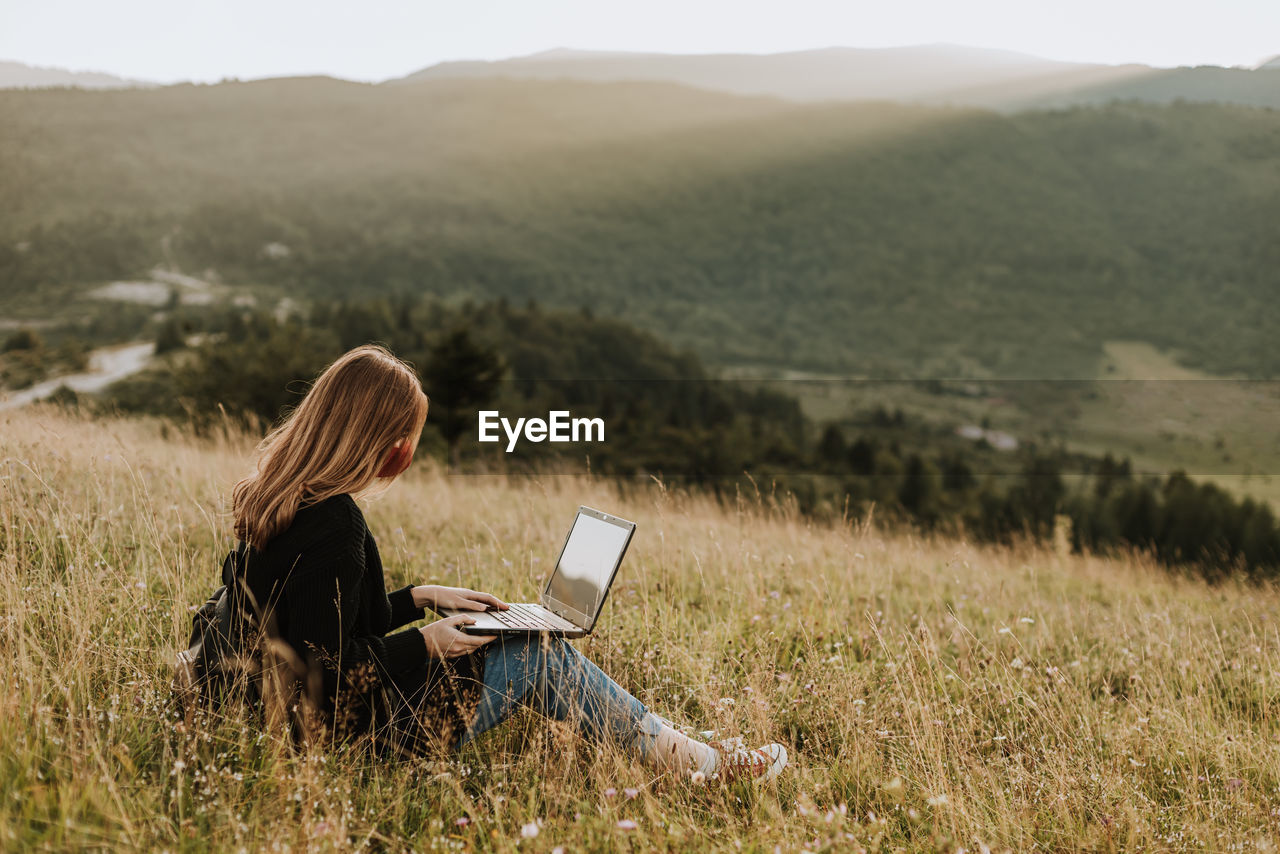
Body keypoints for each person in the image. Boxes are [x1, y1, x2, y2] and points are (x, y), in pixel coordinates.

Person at [225, 344, 788, 784]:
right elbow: (322, 670)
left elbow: (320, 620)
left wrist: (420, 597)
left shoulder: (284, 496)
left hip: (311, 720)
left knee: (520, 644)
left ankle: (678, 745)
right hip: (354, 736)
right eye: (406, 438)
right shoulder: (336, 525)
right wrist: (426, 643)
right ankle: (702, 769)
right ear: (381, 440)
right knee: (541, 655)